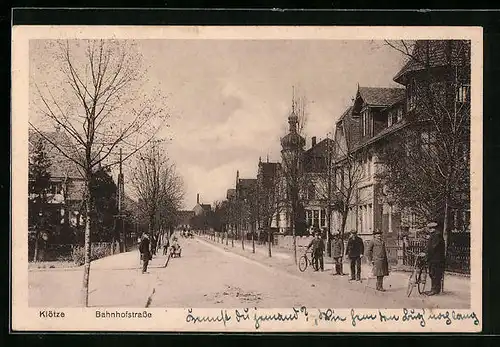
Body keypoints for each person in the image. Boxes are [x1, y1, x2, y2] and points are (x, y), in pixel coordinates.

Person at [425, 222, 445, 296]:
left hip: (436, 259)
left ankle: (435, 290)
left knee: (435, 274)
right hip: (434, 258)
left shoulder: (437, 235)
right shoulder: (434, 235)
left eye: (429, 228)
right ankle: (433, 289)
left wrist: (427, 254)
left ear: (432, 228)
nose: (428, 230)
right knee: (432, 274)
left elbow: (433, 248)